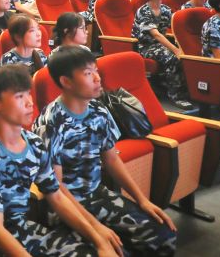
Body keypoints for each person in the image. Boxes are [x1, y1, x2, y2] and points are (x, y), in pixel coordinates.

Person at [35, 46, 177, 256]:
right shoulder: (50, 123)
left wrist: (142, 200)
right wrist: (96, 228)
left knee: (163, 236)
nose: (97, 78)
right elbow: (57, 188)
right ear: (66, 81)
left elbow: (111, 160)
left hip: (96, 194)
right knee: (114, 251)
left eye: (96, 70)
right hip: (65, 206)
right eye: (87, 73)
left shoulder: (99, 110)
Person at [0, 65, 115, 257]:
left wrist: (98, 240)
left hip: (20, 227)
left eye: (28, 94)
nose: (29, 103)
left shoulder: (34, 143)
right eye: (19, 97)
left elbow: (56, 196)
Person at [132, 0, 193, 110]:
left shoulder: (165, 9)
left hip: (162, 44)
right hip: (147, 47)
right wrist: (176, 50)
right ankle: (176, 96)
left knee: (188, 54)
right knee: (173, 58)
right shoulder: (143, 11)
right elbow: (156, 35)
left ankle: (188, 90)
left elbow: (175, 28)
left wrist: (183, 45)